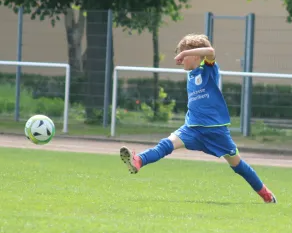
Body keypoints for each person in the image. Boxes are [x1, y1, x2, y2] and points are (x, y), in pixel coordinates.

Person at [119, 33, 277, 203]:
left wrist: (185, 52)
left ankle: (266, 195)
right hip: (192, 128)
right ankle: (138, 161)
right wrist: (185, 54)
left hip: (215, 131)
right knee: (166, 144)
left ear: (194, 55)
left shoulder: (209, 69)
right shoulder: (191, 74)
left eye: (183, 55)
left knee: (238, 166)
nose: (180, 59)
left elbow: (210, 51)